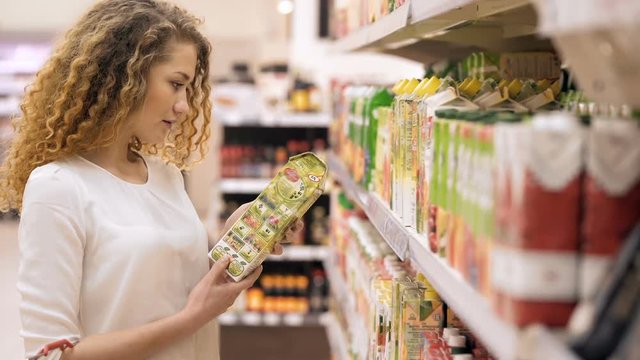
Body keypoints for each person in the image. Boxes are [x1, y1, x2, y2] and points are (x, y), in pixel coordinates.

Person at [0, 1, 302, 359]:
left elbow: (174, 277)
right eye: (176, 84)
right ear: (123, 77)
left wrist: (234, 239)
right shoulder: (58, 187)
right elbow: (48, 354)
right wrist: (193, 318)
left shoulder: (166, 175)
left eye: (189, 89)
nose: (184, 106)